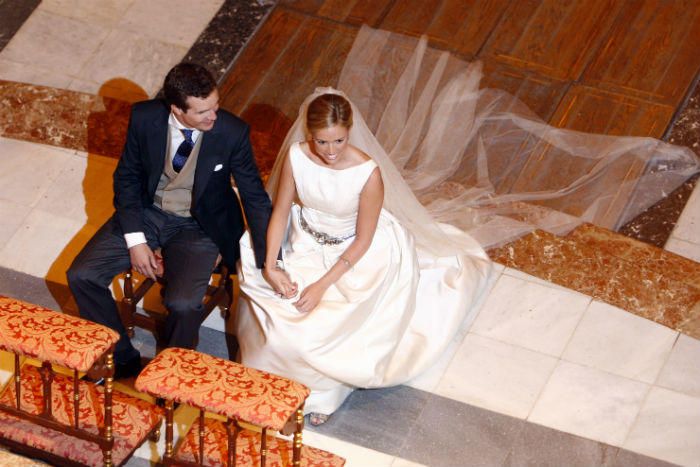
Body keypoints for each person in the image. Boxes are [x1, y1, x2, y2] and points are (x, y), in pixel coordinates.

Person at [235, 90, 493, 425]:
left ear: (349, 131)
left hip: (352, 254)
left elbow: (364, 239)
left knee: (320, 326)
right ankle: (268, 384)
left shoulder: (367, 173)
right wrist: (271, 265)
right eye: (322, 142)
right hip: (304, 241)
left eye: (339, 141)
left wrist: (322, 286)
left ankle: (324, 395)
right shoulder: (297, 157)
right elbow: (281, 210)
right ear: (309, 135)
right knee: (278, 317)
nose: (330, 151)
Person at [67, 63, 272, 380]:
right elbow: (128, 179)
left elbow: (255, 197)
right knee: (82, 274)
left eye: (215, 106)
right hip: (148, 214)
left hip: (199, 227)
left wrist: (270, 260)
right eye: (203, 112)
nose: (213, 117)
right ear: (177, 108)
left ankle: (170, 376)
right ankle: (120, 357)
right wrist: (136, 241)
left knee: (184, 303)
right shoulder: (145, 117)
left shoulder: (232, 132)